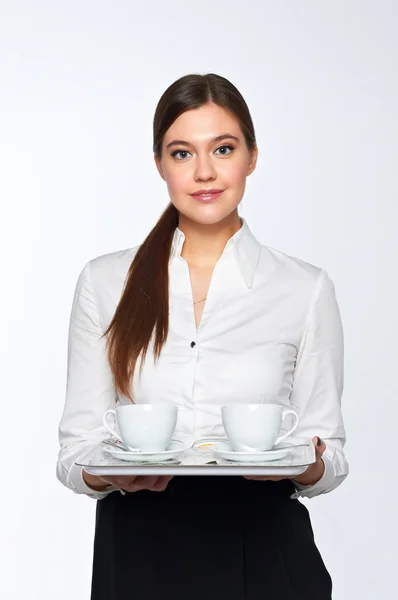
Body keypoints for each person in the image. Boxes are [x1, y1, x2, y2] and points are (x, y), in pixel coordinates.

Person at [57, 73, 349, 600]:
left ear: (252, 157)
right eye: (182, 153)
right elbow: (76, 453)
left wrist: (307, 462)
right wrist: (112, 476)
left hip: (263, 551)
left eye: (223, 148)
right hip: (139, 555)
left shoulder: (304, 288)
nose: (206, 172)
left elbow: (331, 456)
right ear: (160, 165)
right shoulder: (104, 282)